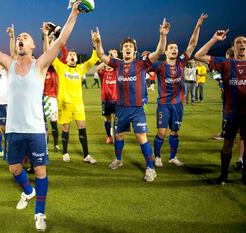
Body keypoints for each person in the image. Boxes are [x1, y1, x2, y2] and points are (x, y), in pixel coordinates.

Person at [0, 0, 81, 230]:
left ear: (34, 45)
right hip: (14, 130)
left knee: (40, 170)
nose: (21, 38)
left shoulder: (41, 64)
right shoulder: (9, 63)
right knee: (14, 169)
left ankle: (40, 213)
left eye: (25, 37)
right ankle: (28, 191)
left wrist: (74, 12)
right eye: (19, 37)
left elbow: (62, 40)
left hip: (35, 130)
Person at [93, 18, 170, 182]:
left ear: (135, 50)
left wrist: (163, 35)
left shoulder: (142, 63)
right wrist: (98, 42)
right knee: (119, 136)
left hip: (136, 109)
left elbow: (160, 51)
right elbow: (100, 55)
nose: (128, 48)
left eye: (130, 46)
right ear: (122, 51)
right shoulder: (117, 64)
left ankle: (150, 168)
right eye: (125, 47)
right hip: (121, 108)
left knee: (141, 137)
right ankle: (118, 159)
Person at [151, 14, 208, 168]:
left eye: (176, 48)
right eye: (171, 48)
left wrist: (198, 26)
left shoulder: (182, 62)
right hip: (164, 104)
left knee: (174, 132)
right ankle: (157, 157)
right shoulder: (159, 66)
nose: (174, 50)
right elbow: (143, 67)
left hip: (178, 104)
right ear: (167, 52)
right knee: (161, 132)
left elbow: (192, 44)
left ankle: (173, 157)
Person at [195, 31, 246, 185]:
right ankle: (224, 175)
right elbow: (199, 55)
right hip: (231, 113)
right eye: (239, 42)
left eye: (244, 42)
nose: (242, 44)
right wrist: (214, 39)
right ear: (233, 47)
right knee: (228, 144)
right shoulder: (225, 63)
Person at [51, 41, 99, 164]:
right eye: (70, 54)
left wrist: (95, 45)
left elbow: (94, 58)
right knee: (65, 128)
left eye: (74, 54)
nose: (72, 55)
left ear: (76, 58)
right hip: (64, 103)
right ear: (67, 58)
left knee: (82, 128)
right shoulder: (61, 67)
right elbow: (50, 55)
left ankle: (86, 155)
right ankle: (65, 153)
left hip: (78, 104)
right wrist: (49, 40)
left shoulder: (81, 68)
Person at [42, 22, 68, 152]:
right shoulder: (44, 67)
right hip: (42, 98)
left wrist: (58, 38)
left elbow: (64, 54)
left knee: (53, 123)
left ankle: (56, 144)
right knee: (43, 124)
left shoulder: (58, 66)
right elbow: (47, 52)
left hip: (53, 98)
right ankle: (44, 145)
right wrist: (46, 37)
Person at [96, 49, 118, 144]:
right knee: (107, 119)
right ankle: (109, 136)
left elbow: (120, 65)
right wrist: (107, 60)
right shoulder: (103, 72)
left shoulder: (118, 71)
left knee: (117, 119)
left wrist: (114, 59)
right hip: (106, 100)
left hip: (117, 100)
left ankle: (116, 136)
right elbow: (98, 69)